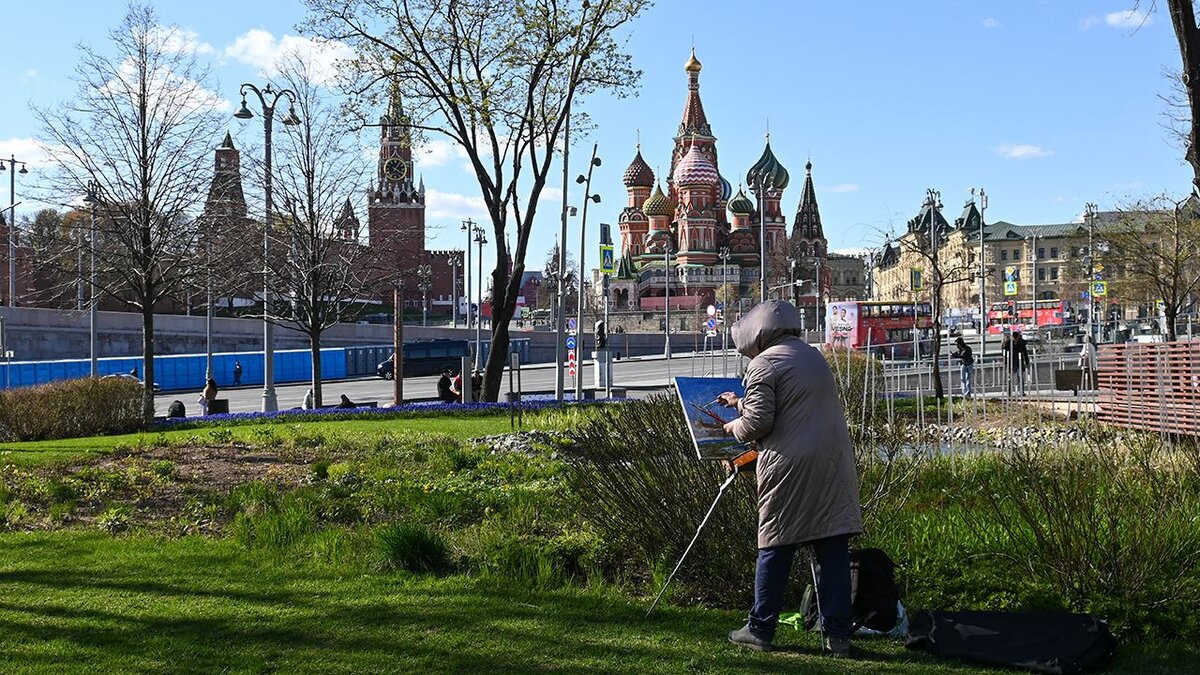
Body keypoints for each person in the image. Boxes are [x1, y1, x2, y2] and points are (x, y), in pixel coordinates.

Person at [717, 300, 863, 658]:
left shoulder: (763, 363)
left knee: (775, 545)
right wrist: (740, 401)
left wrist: (733, 424)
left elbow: (758, 424)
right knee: (831, 549)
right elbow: (792, 402)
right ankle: (838, 635)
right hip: (831, 463)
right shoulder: (811, 355)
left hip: (790, 467)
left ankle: (760, 627)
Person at [1003, 330, 1030, 396]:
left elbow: (1025, 352)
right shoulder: (1008, 343)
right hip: (1011, 362)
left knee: (1020, 376)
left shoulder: (1022, 342)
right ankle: (1009, 392)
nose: (1016, 340)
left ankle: (1021, 391)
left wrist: (1027, 362)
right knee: (1009, 378)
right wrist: (1006, 363)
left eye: (1017, 339)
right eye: (1014, 339)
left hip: (1019, 362)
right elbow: (1005, 353)